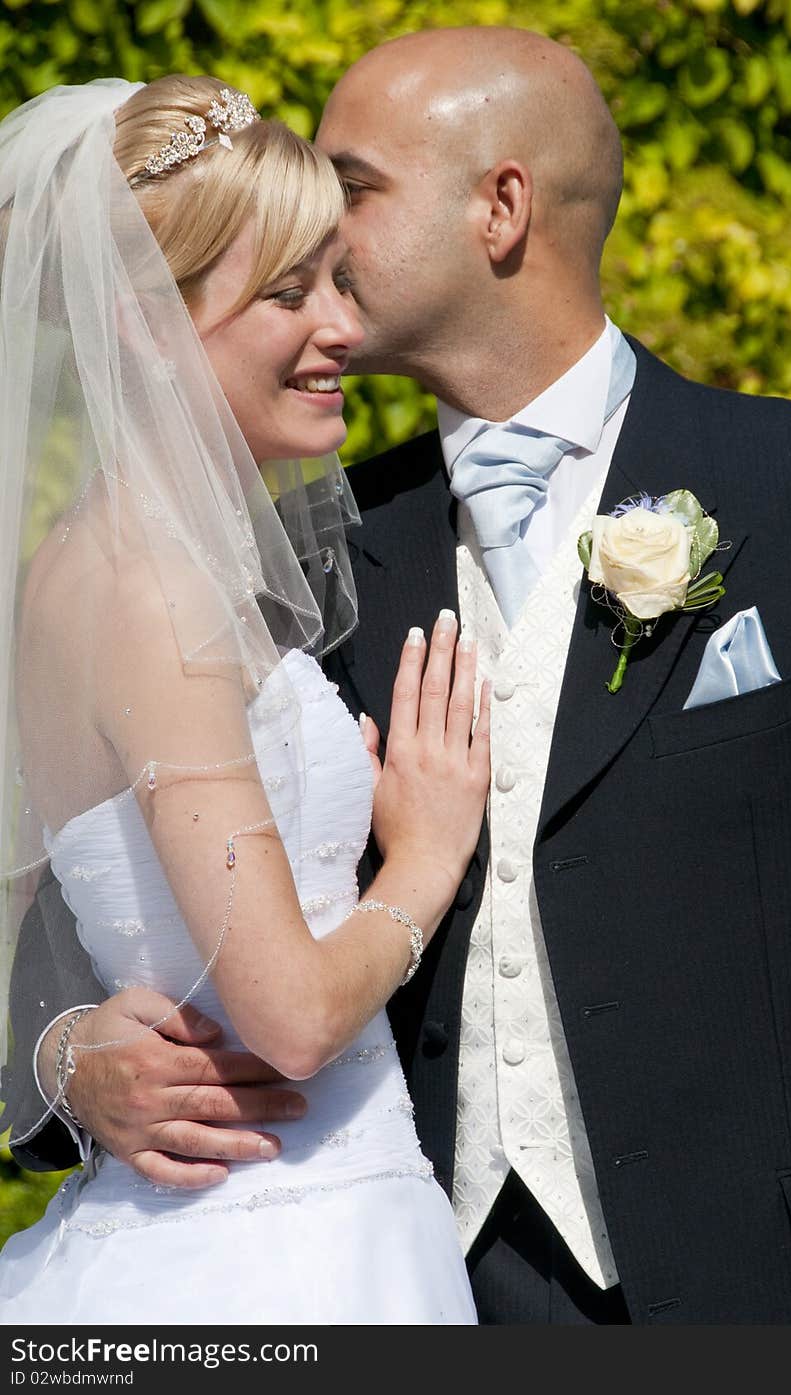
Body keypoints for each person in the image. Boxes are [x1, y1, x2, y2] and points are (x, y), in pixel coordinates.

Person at [8, 27, 791, 1324]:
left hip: (766, 1296)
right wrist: (64, 1057)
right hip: (412, 1269)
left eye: (351, 188)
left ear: (502, 206)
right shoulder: (305, 552)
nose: (325, 244)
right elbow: (72, 896)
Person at [0, 72, 490, 1324]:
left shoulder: (99, 564)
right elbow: (285, 1017)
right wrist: (424, 856)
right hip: (276, 1251)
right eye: (286, 293)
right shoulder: (154, 593)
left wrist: (62, 1048)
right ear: (143, 325)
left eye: (334, 277)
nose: (340, 326)